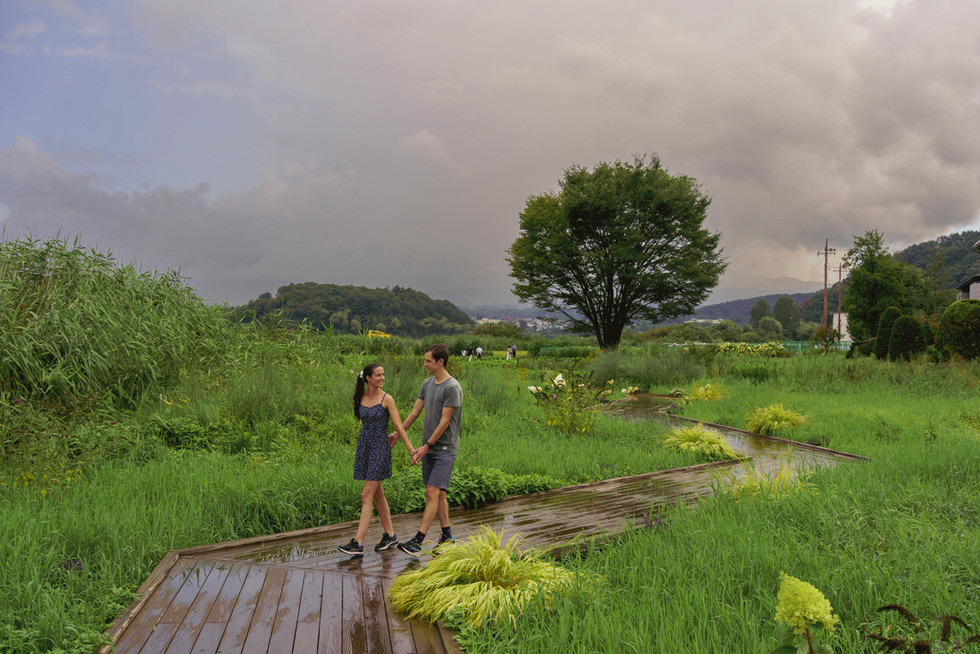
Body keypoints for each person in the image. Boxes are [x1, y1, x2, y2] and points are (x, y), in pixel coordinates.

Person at [337, 363, 415, 556]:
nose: (382, 378)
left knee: (366, 496)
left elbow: (399, 427)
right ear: (368, 378)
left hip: (380, 449)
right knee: (377, 493)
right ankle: (390, 535)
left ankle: (358, 543)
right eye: (378, 375)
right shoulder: (361, 398)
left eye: (383, 374)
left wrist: (411, 449)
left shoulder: (387, 399)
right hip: (365, 448)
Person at [395, 343, 463, 557]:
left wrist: (426, 446)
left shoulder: (452, 387)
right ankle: (447, 538)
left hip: (444, 449)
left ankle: (418, 541)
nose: (424, 364)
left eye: (428, 361)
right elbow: (415, 412)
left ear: (440, 362)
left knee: (432, 492)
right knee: (439, 494)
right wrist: (398, 433)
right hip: (430, 448)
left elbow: (444, 422)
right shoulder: (427, 384)